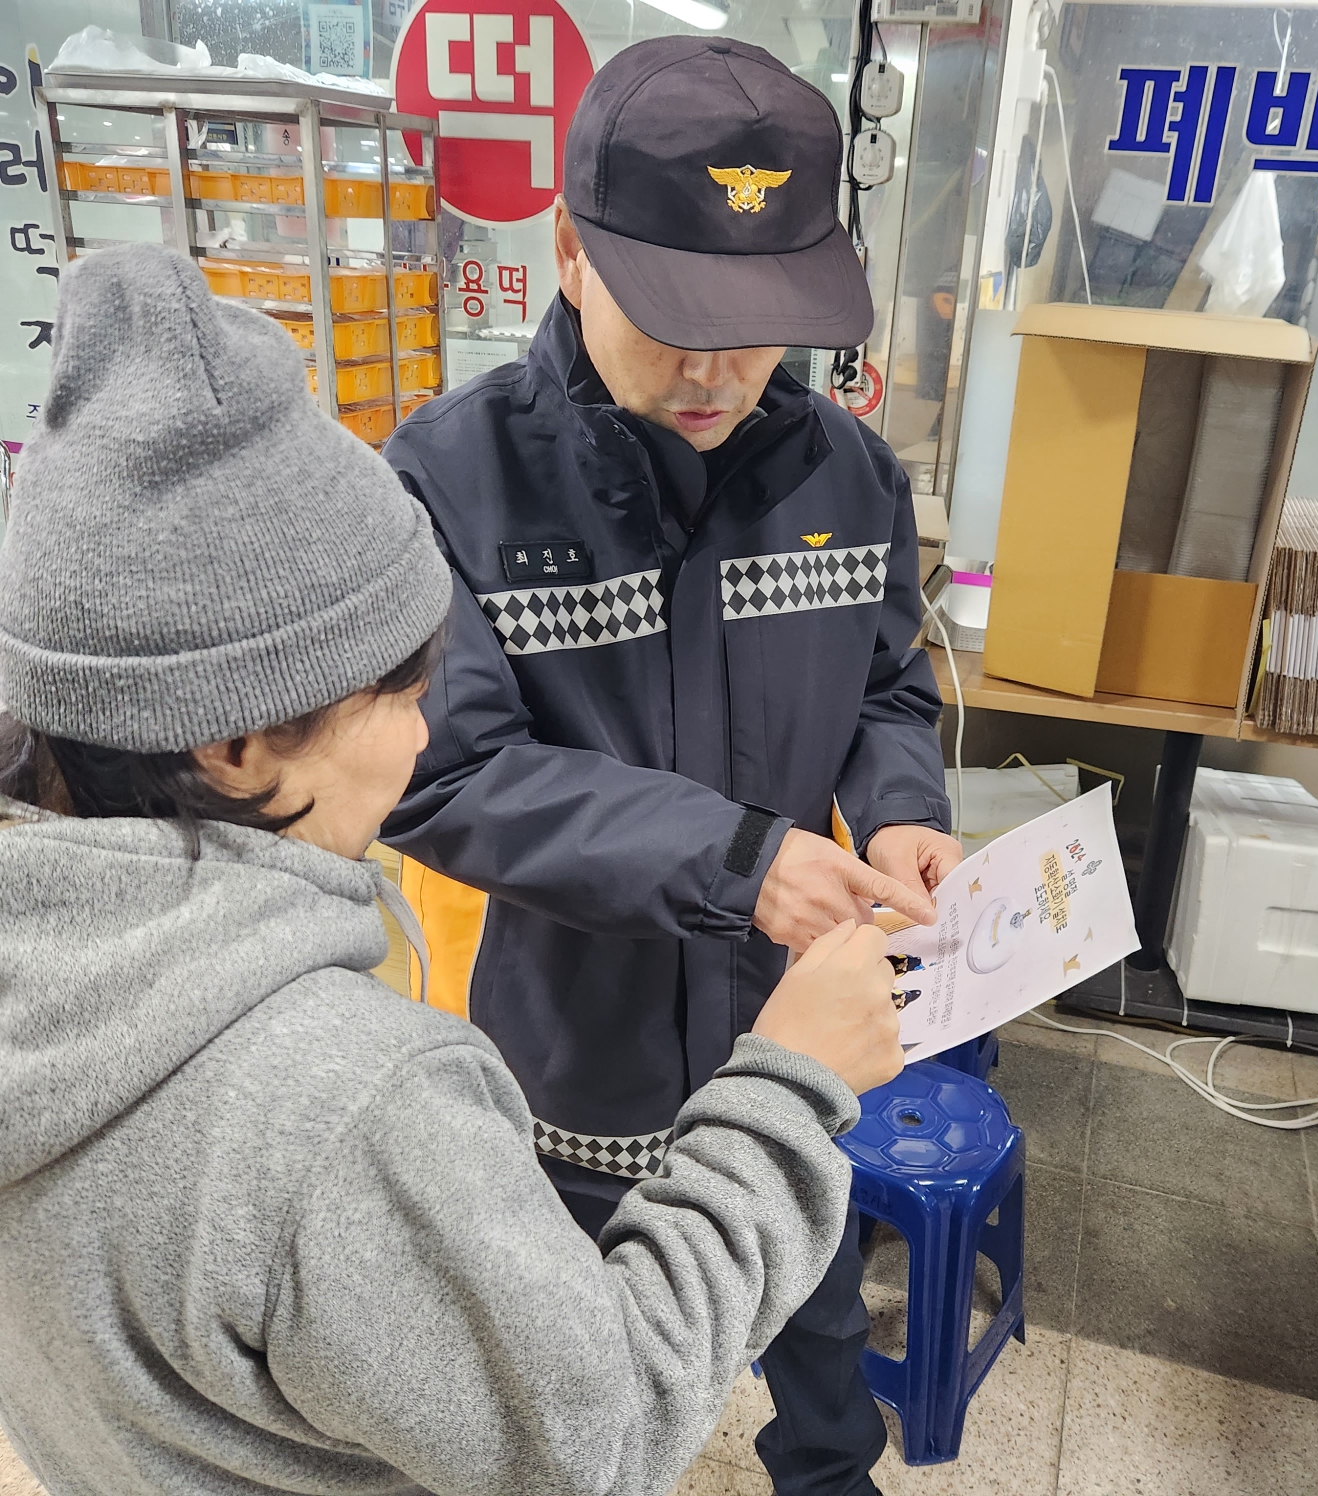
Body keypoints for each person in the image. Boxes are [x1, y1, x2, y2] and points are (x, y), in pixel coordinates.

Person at [0, 242, 908, 1496]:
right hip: (599, 1057)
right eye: (401, 689)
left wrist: (897, 804)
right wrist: (791, 1091)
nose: (426, 733)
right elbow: (597, 1428)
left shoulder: (50, 980)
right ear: (232, 742)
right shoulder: (357, 1107)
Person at [381, 35, 962, 1495]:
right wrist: (735, 860)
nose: (713, 370)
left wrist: (901, 810)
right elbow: (447, 776)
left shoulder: (849, 477)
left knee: (816, 1330)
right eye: (673, 315)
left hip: (788, 1029)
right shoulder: (447, 480)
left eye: (755, 324)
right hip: (572, 1053)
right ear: (570, 253)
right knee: (567, 1400)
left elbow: (886, 689)